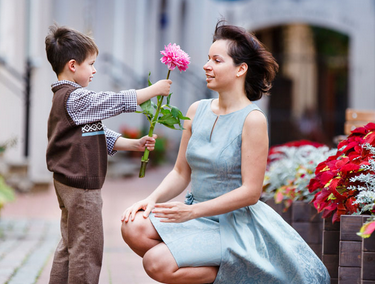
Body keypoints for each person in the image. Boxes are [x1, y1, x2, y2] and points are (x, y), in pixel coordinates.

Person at [120, 20, 330, 284]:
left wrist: (192, 212)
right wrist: (151, 199)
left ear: (241, 69)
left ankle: (241, 275)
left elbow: (251, 193)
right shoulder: (196, 110)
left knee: (156, 262)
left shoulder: (253, 119)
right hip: (195, 213)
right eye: (208, 59)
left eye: (217, 61)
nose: (207, 66)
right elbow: (180, 172)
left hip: (233, 224)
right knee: (133, 226)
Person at [44, 24, 172, 284]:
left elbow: (95, 132)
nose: (94, 70)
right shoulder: (74, 97)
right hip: (82, 187)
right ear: (72, 65)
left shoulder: (68, 99)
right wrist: (152, 91)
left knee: (70, 245)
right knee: (87, 249)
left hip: (68, 182)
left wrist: (132, 145)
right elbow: (110, 102)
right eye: (90, 64)